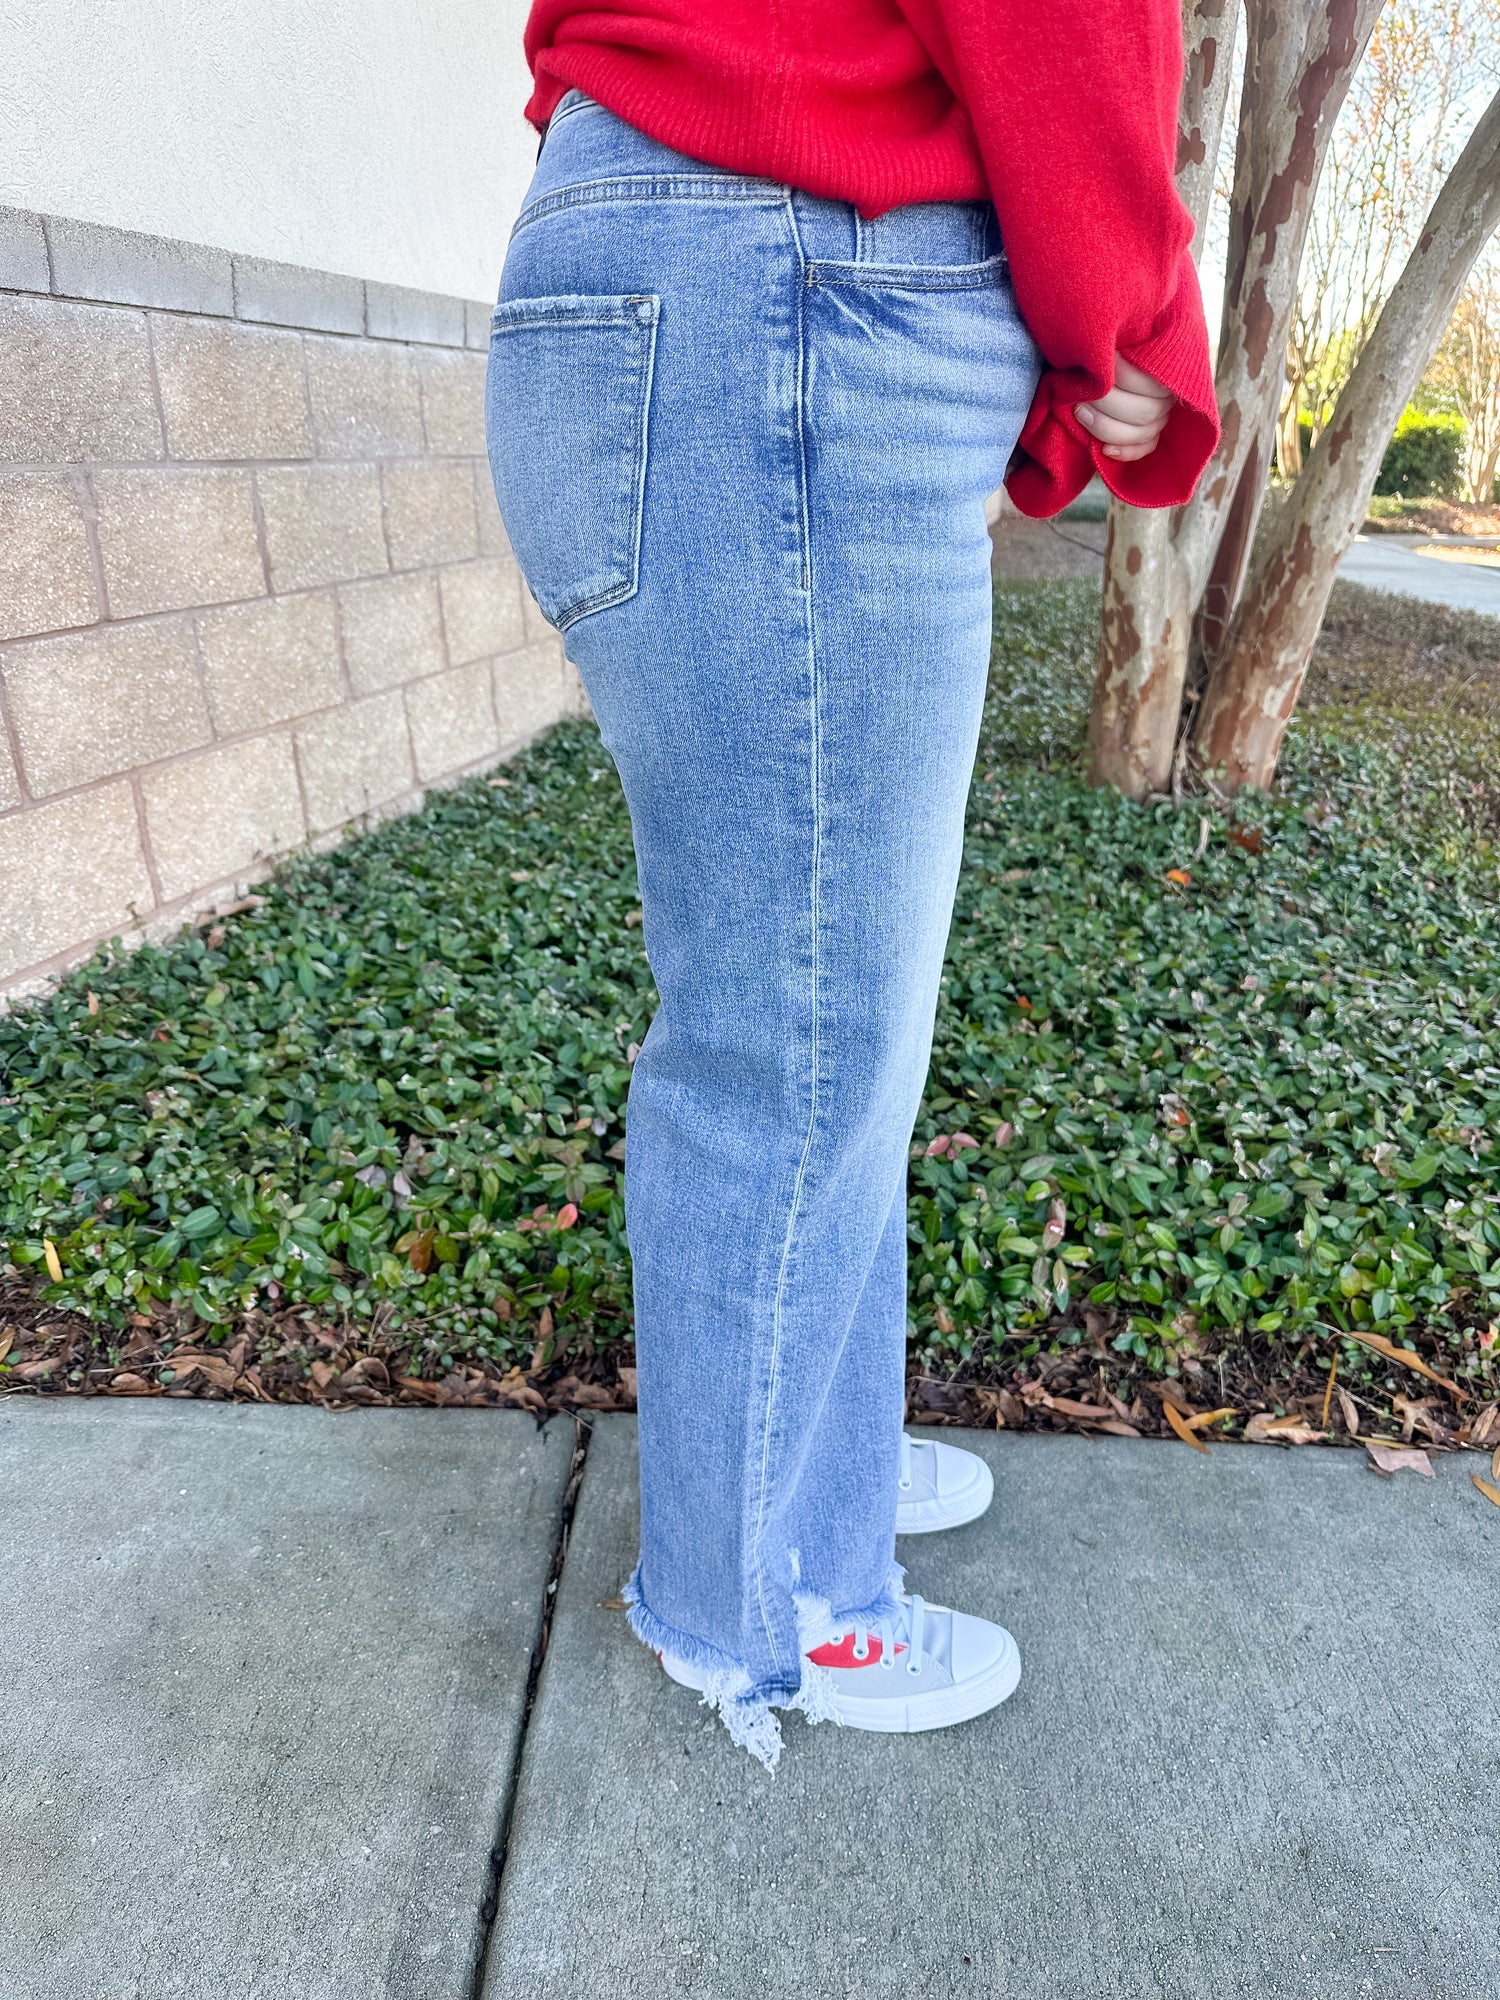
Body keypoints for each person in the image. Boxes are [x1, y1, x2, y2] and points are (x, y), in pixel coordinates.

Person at [485, 0, 1219, 1768]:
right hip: (793, 281)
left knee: (822, 1018)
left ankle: (816, 1464)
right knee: (803, 1033)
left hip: (713, 256)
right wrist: (1125, 312)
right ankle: (768, 1603)